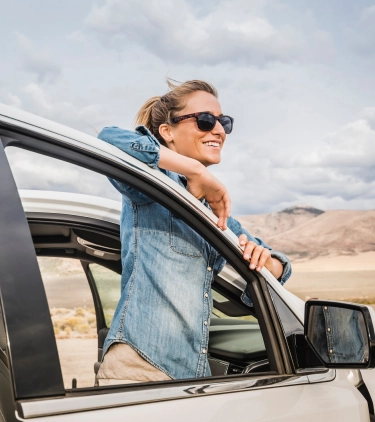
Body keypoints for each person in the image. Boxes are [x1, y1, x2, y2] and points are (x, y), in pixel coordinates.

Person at [96, 79, 292, 385]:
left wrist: (265, 259)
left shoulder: (213, 213)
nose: (219, 130)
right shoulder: (152, 186)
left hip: (187, 375)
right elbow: (108, 140)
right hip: (140, 368)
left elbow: (278, 272)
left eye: (224, 122)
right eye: (205, 120)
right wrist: (196, 170)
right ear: (167, 131)